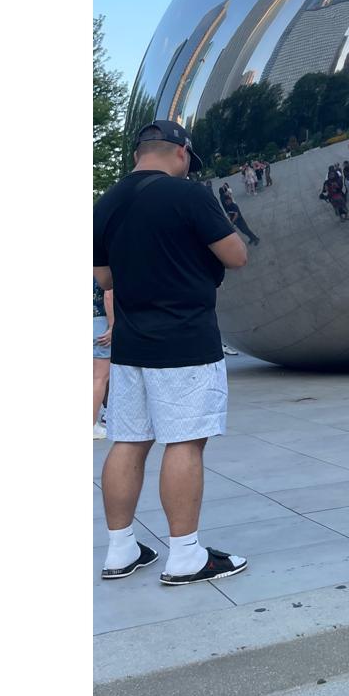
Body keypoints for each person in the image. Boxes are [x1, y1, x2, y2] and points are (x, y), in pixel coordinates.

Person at [93, 119, 249, 586]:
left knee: (129, 440)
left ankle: (120, 551)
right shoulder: (191, 196)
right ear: (180, 152)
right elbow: (236, 255)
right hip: (186, 339)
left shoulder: (105, 204)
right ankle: (185, 556)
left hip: (132, 343)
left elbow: (105, 280)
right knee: (184, 441)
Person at [93, 278, 114, 438]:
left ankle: (106, 415)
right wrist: (113, 325)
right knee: (100, 377)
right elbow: (108, 293)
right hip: (99, 320)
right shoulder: (101, 267)